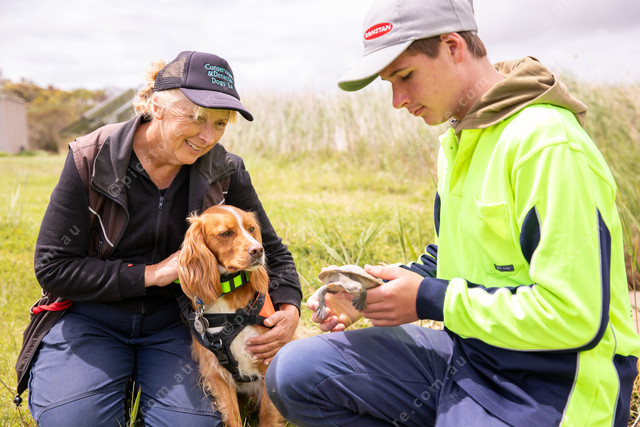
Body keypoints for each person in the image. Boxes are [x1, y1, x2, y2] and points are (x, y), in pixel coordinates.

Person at [265, 0, 640, 426]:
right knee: (295, 373)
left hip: (553, 384)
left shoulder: (547, 144)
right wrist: (371, 295)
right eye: (389, 83)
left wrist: (428, 299)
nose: (397, 100)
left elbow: (575, 317)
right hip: (472, 355)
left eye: (405, 75)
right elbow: (454, 257)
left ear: (452, 46)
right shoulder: (459, 140)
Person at [15, 50, 302, 426]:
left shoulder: (225, 169)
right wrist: (152, 274)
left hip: (179, 323)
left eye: (219, 123)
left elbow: (272, 252)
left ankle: (140, 381)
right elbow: (53, 268)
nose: (207, 136)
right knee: (75, 421)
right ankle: (109, 381)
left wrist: (289, 310)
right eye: (196, 118)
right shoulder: (90, 157)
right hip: (91, 318)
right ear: (156, 107)